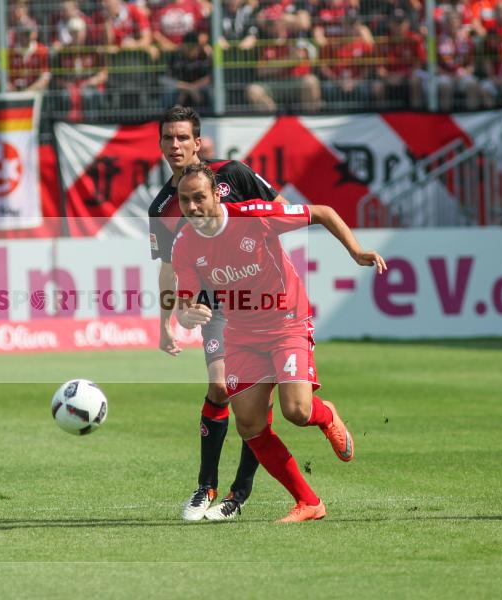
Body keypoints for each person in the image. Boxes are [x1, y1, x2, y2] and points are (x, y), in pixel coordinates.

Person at [171, 163, 386, 522]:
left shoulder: (254, 216)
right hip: (241, 334)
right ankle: (309, 502)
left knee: (297, 411)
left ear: (216, 195)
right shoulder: (185, 243)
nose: (192, 208)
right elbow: (187, 298)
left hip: (286, 320)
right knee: (250, 424)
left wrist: (356, 251)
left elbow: (323, 212)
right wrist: (186, 314)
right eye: (184, 200)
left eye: (199, 198)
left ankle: (326, 414)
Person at [149, 105, 293, 521]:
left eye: (182, 137)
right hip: (215, 306)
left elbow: (281, 209)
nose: (174, 145)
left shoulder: (233, 174)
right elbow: (168, 267)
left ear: (198, 142)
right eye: (167, 138)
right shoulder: (163, 208)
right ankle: (204, 486)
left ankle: (239, 493)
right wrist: (165, 323)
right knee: (220, 388)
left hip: (259, 299)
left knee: (249, 393)